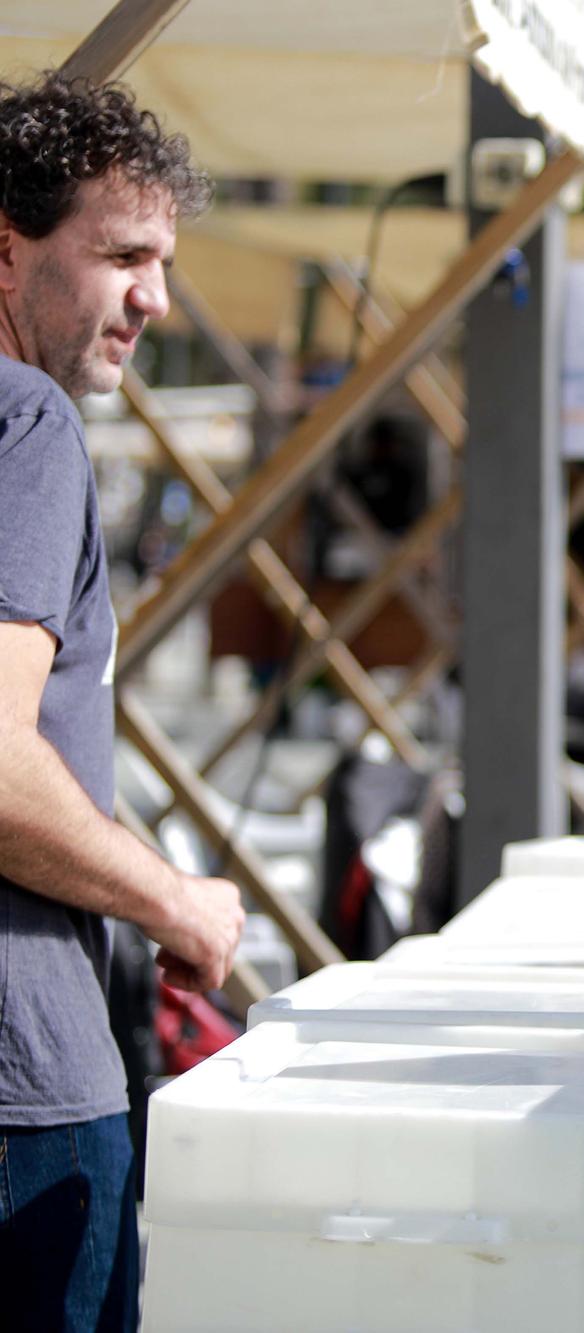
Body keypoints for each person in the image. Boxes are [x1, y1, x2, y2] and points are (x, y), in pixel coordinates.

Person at [0, 74, 242, 1330]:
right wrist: (174, 896)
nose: (154, 296)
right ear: (6, 249)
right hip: (23, 1090)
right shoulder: (24, 419)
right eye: (122, 254)